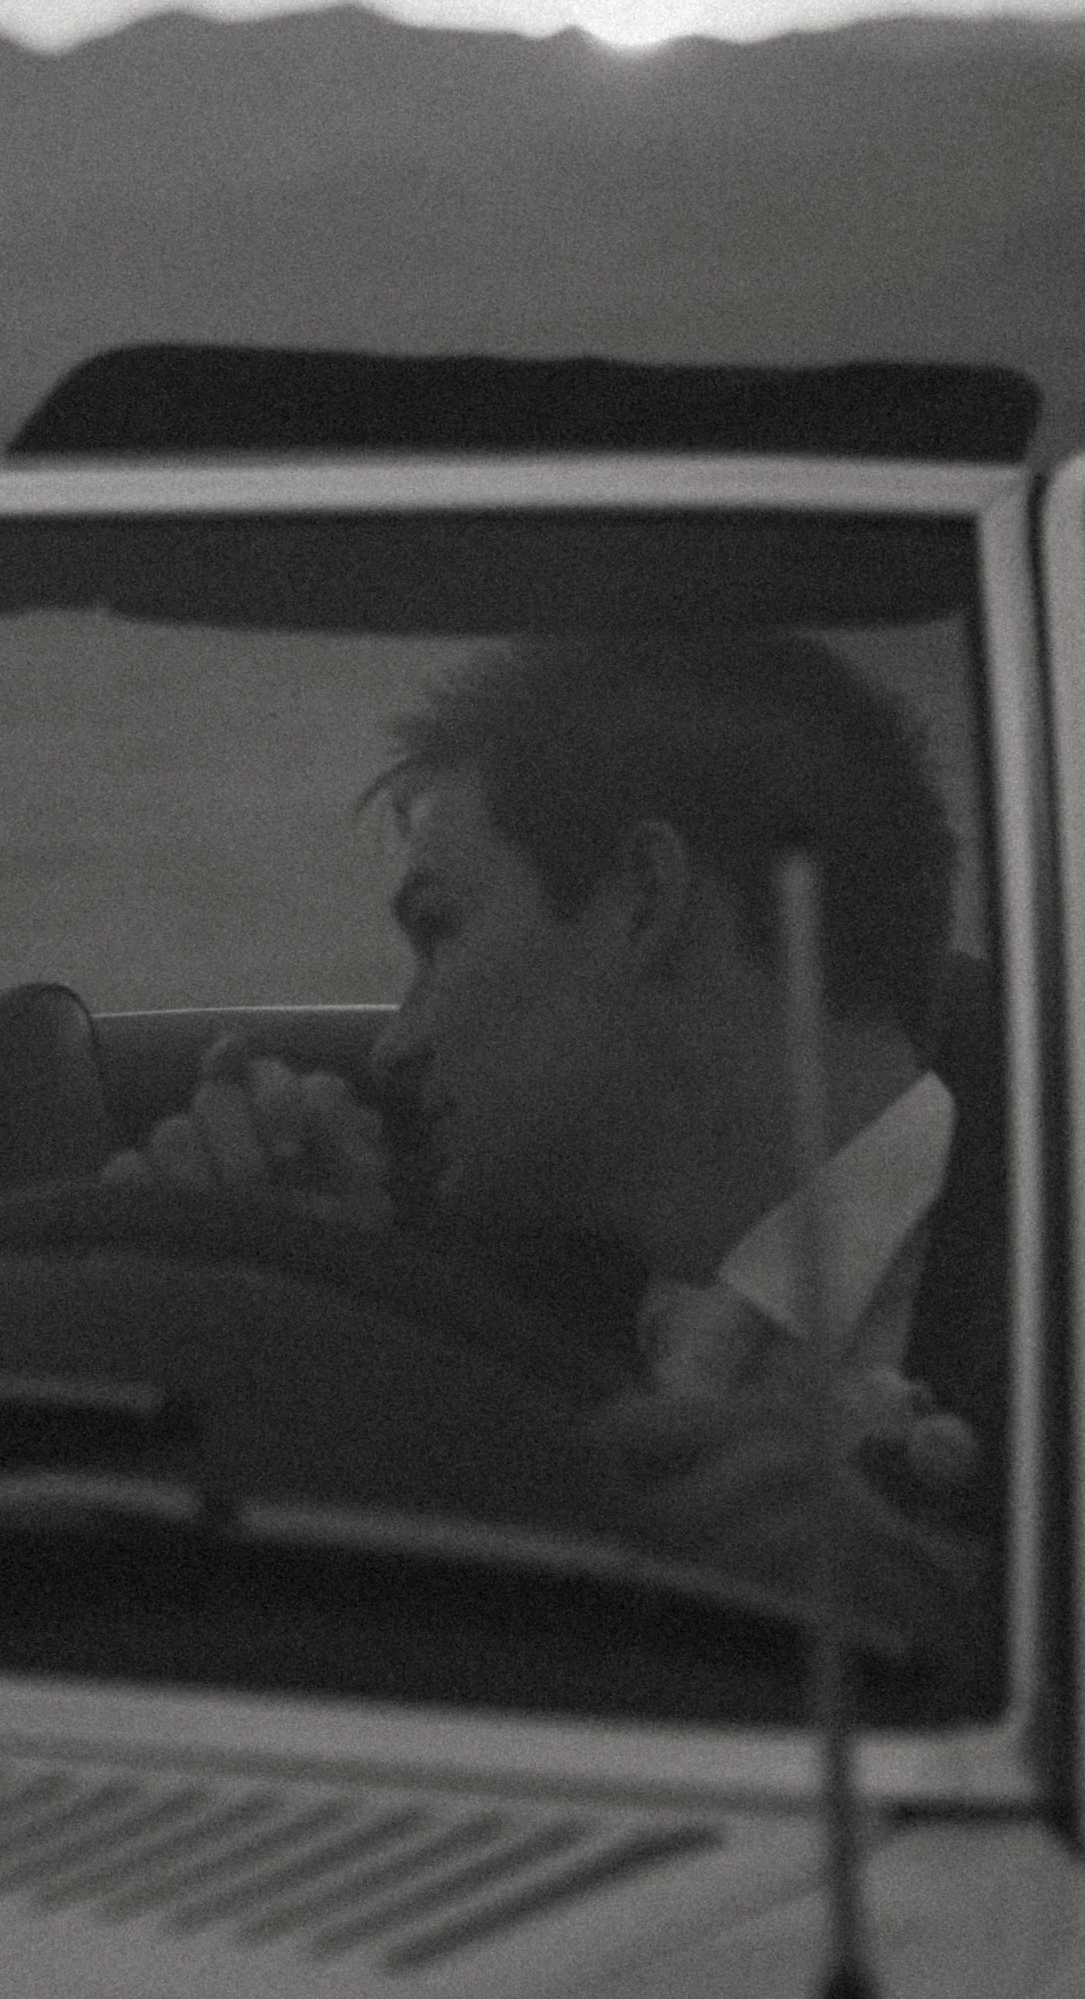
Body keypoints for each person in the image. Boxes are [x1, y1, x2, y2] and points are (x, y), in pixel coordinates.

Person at [104, 631, 993, 1620]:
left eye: (438, 930)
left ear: (643, 898)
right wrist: (328, 1300)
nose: (396, 1045)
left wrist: (937, 1612)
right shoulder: (498, 1298)